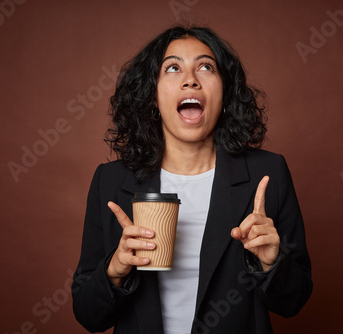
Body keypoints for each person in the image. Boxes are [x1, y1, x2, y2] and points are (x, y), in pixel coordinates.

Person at [72, 25, 312, 334]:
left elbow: (293, 303)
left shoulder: (268, 174)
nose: (190, 79)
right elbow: (89, 316)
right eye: (173, 68)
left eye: (206, 67)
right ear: (152, 96)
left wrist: (271, 261)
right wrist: (115, 270)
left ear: (224, 94)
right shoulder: (111, 181)